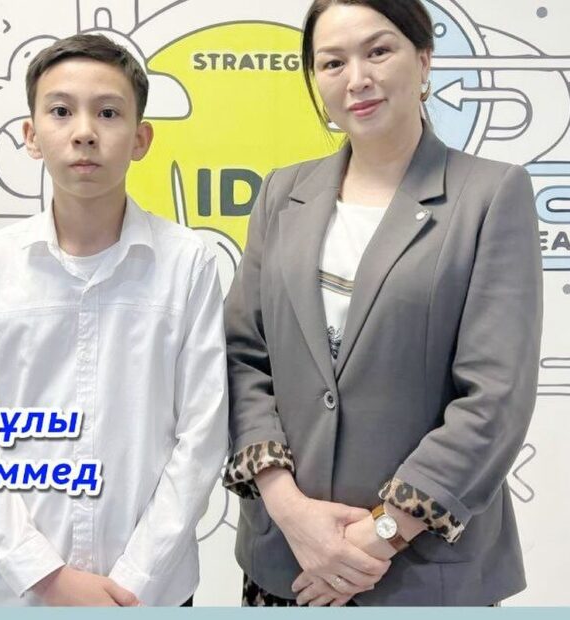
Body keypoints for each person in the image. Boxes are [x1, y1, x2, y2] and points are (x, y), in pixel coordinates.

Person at [222, 0, 542, 606]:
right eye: (332, 62)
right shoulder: (281, 193)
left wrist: (380, 536)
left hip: (426, 574)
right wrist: (290, 511)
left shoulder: (491, 194)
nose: (357, 78)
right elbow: (243, 358)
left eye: (378, 51)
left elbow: (494, 397)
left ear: (423, 60)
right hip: (286, 561)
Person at [0, 34, 228, 607]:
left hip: (154, 593)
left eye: (109, 113)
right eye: (61, 111)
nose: (85, 131)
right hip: (28, 593)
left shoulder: (187, 263)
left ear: (141, 139)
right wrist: (48, 576)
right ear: (31, 135)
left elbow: (202, 436)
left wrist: (133, 580)